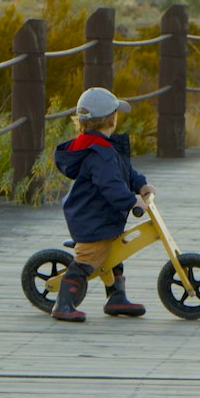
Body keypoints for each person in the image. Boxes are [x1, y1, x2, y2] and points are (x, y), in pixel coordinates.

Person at [50, 87, 155, 323]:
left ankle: (116, 297)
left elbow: (124, 173)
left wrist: (140, 184)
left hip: (101, 216)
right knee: (89, 260)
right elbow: (111, 185)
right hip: (92, 219)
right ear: (111, 120)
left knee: (115, 255)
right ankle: (63, 304)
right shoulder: (99, 154)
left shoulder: (104, 148)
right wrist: (131, 202)